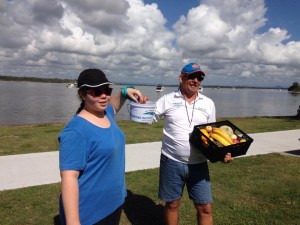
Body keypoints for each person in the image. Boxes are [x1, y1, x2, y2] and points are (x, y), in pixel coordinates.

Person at [58, 68, 147, 225]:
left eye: (107, 90)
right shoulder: (75, 131)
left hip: (114, 203)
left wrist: (126, 91)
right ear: (83, 94)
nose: (104, 96)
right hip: (91, 213)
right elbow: (69, 178)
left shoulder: (105, 113)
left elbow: (114, 105)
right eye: (97, 92)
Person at [152, 63, 233, 225]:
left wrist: (222, 152)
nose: (196, 80)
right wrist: (135, 101)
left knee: (205, 207)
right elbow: (149, 117)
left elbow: (213, 133)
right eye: (192, 76)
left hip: (199, 163)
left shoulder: (208, 103)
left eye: (200, 77)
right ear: (181, 78)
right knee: (172, 204)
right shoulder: (167, 100)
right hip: (171, 160)